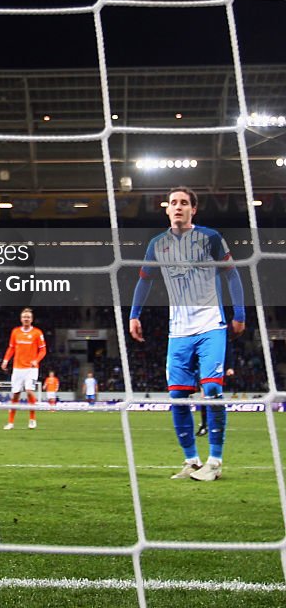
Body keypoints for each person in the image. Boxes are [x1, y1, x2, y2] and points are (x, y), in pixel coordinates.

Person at [129, 186, 245, 482]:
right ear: (166, 208)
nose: (178, 207)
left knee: (213, 391)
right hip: (178, 331)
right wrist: (134, 315)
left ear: (194, 209)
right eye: (173, 203)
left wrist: (239, 314)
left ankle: (215, 462)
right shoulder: (157, 244)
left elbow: (232, 273)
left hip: (210, 326)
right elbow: (144, 281)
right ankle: (192, 461)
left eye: (184, 203)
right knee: (178, 396)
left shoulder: (210, 238)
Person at [1, 307, 46, 430]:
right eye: (24, 317)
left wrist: (36, 360)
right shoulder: (15, 332)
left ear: (32, 319)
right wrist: (5, 360)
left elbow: (43, 350)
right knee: (15, 394)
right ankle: (10, 422)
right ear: (21, 319)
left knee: (29, 390)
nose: (26, 319)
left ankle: (32, 419)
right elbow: (11, 348)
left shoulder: (37, 333)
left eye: (28, 317)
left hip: (31, 368)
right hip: (17, 368)